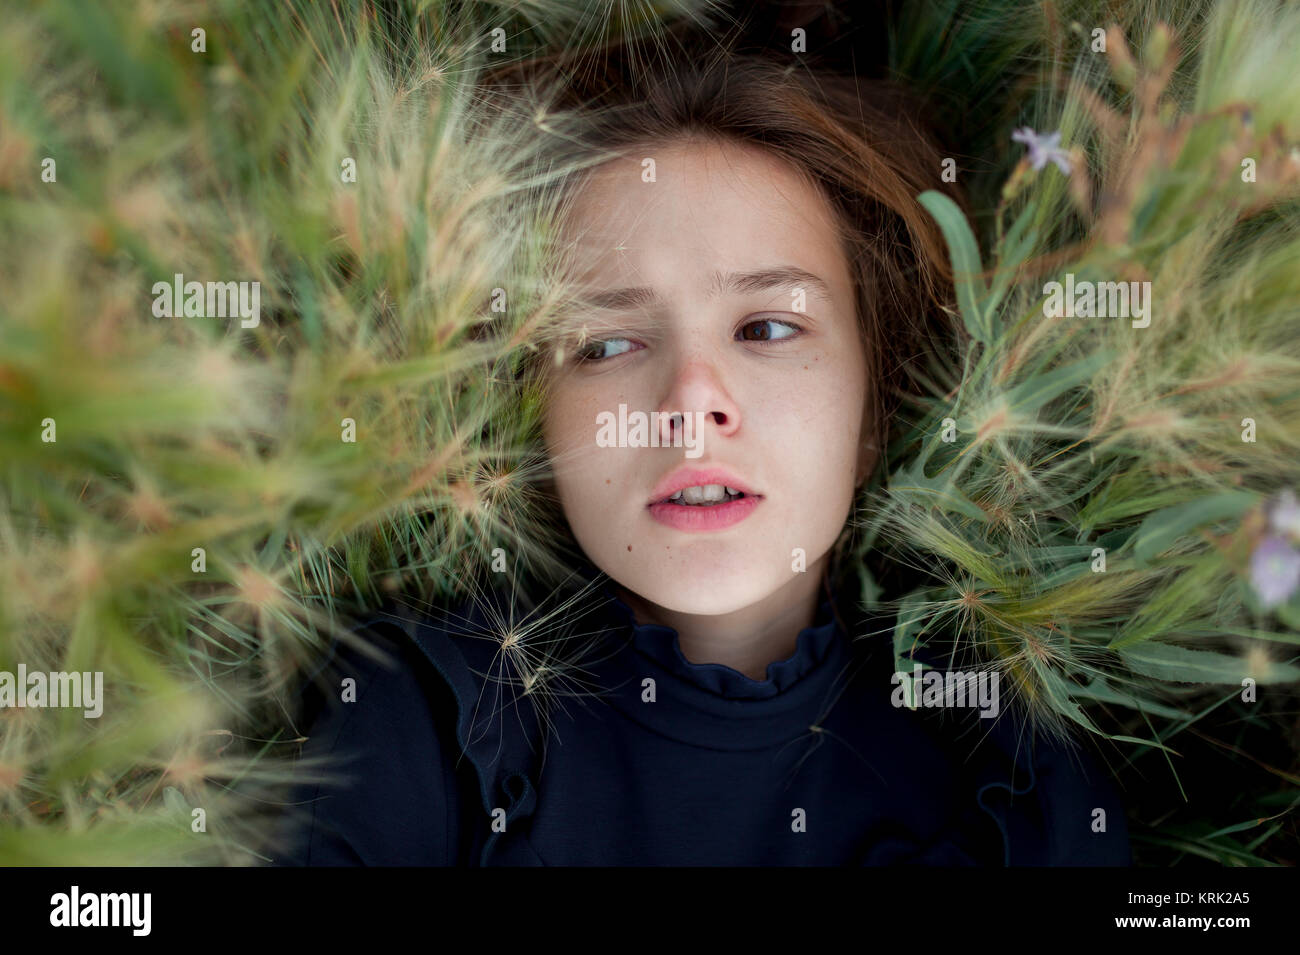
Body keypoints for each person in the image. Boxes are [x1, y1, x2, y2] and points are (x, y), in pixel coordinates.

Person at [272, 49, 1131, 866]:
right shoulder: (423, 721)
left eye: (766, 328)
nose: (689, 402)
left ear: (874, 410)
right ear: (533, 419)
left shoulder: (1013, 773)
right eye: (606, 344)